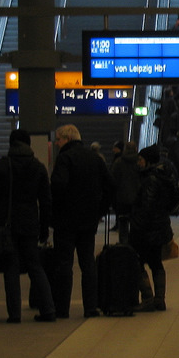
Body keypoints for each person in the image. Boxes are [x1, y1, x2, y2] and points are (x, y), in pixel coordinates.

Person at [0, 129, 56, 323]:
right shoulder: (38, 167)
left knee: (11, 268)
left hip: (7, 225)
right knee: (35, 267)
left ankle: (14, 314)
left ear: (11, 144)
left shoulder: (2, 166)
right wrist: (44, 228)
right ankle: (48, 309)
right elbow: (46, 202)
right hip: (30, 224)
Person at [49, 124, 114, 319]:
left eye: (59, 139)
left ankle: (62, 308)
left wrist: (55, 211)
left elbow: (58, 186)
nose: (57, 143)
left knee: (64, 264)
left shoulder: (64, 158)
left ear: (68, 139)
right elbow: (110, 186)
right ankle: (90, 307)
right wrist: (100, 210)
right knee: (88, 264)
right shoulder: (95, 158)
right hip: (88, 220)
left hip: (66, 221)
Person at [129, 145, 178, 311]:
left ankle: (148, 298)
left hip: (147, 230)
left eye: (141, 160)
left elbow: (147, 207)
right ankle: (159, 300)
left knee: (136, 262)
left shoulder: (150, 179)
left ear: (148, 161)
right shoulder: (163, 177)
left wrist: (136, 226)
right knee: (156, 263)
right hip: (160, 227)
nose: (139, 163)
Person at [110, 141, 141, 244]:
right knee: (135, 223)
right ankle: (134, 244)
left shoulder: (119, 162)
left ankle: (124, 245)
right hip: (137, 197)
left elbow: (113, 179)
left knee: (123, 223)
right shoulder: (139, 161)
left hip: (122, 197)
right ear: (136, 149)